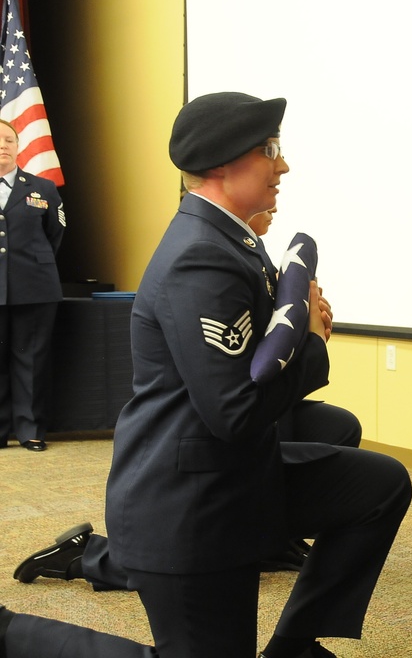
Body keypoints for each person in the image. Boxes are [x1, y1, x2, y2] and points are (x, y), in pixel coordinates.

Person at [0, 92, 412, 658]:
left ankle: (296, 646)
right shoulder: (201, 255)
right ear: (221, 164)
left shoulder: (231, 239)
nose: (283, 165)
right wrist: (312, 344)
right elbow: (236, 412)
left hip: (233, 477)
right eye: (271, 150)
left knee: (378, 485)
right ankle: (10, 632)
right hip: (187, 502)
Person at [11, 205, 364, 589]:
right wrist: (309, 339)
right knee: (177, 560)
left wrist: (304, 317)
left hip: (255, 410)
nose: (276, 189)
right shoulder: (205, 256)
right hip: (198, 430)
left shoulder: (250, 247)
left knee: (341, 429)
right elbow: (234, 383)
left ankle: (276, 540)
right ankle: (89, 556)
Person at [0, 119, 66, 452]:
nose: (3, 145)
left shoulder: (43, 188)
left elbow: (55, 234)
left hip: (35, 287)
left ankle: (31, 431)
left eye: (9, 139)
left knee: (32, 362)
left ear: (18, 145)